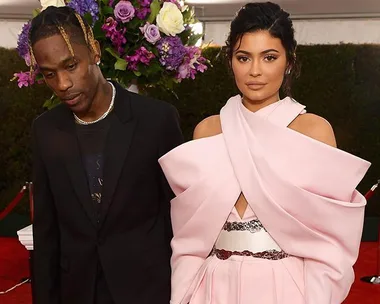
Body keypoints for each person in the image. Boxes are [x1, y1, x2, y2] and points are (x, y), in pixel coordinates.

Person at [158, 2, 370, 304]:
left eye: (269, 57)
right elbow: (191, 235)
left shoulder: (313, 131)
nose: (255, 71)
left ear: (289, 61)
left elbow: (332, 238)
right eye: (243, 58)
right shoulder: (207, 131)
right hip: (214, 286)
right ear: (230, 60)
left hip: (286, 287)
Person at [30, 6, 183, 304]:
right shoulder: (45, 131)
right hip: (77, 291)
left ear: (95, 51)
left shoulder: (155, 120)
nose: (62, 84)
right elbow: (46, 233)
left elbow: (180, 218)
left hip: (147, 290)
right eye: (50, 75)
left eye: (71, 65)